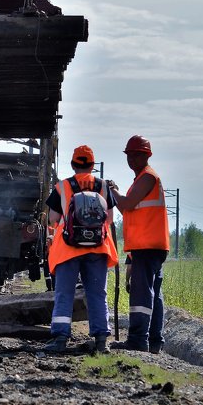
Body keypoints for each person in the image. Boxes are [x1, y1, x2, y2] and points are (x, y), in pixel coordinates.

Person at [44, 145, 118, 354]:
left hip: (68, 248)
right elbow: (110, 219)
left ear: (72, 164)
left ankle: (60, 338)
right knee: (97, 293)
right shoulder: (103, 187)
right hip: (98, 248)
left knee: (65, 292)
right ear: (93, 165)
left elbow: (53, 219)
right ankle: (102, 340)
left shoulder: (62, 187)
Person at [107, 135, 169, 354]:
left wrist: (112, 190)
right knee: (153, 292)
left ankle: (137, 340)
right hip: (147, 246)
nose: (131, 159)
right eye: (129, 155)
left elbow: (125, 204)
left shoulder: (147, 178)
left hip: (148, 246)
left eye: (136, 155)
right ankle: (154, 342)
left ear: (147, 156)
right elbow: (130, 211)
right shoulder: (141, 180)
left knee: (142, 293)